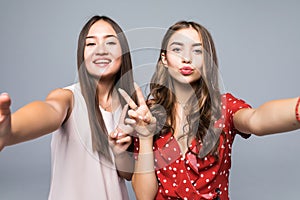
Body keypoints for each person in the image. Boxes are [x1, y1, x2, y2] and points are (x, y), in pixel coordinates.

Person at [118, 20, 300, 200]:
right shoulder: (147, 115)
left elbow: (256, 120)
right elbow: (144, 196)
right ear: (164, 59)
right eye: (177, 49)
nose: (187, 58)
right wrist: (145, 135)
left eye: (197, 50)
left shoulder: (223, 107)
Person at [0, 15, 137, 200]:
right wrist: (10, 131)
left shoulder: (132, 107)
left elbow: (127, 175)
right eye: (91, 44)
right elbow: (50, 110)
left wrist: (120, 153)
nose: (101, 50)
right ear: (82, 54)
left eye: (110, 43)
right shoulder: (68, 97)